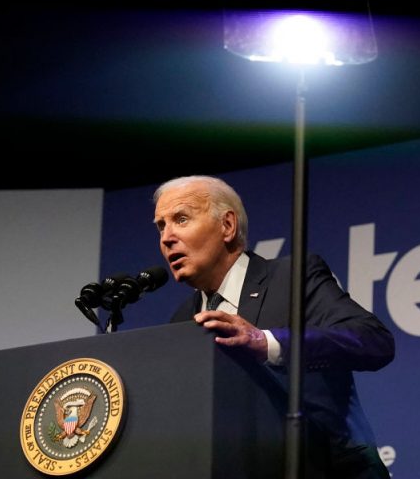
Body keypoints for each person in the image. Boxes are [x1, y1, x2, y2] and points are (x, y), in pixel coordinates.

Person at [153, 175, 395, 479]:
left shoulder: (292, 278)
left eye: (181, 219)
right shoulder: (182, 319)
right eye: (161, 226)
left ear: (227, 226)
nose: (166, 237)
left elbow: (372, 340)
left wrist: (265, 342)